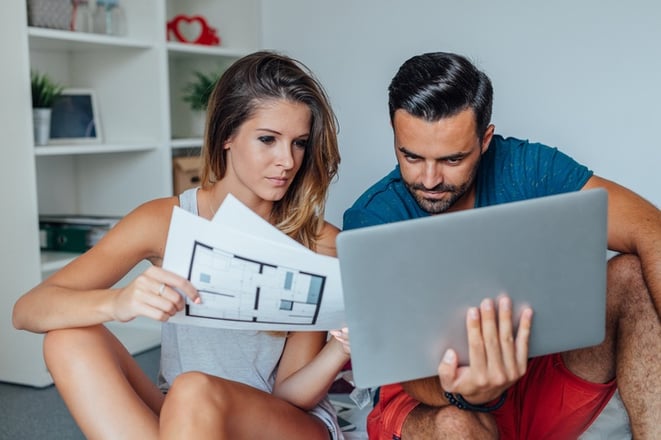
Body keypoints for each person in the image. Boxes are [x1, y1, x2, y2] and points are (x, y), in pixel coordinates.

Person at [13, 51, 351, 439]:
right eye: (267, 139)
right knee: (68, 339)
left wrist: (340, 348)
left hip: (281, 420)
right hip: (183, 416)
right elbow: (27, 311)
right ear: (227, 135)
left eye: (299, 143)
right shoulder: (166, 220)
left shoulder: (317, 240)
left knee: (193, 388)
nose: (287, 161)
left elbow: (293, 394)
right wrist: (119, 302)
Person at [343, 52, 661, 439]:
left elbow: (650, 229)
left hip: (536, 376)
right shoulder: (373, 218)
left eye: (452, 159)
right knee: (456, 426)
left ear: (485, 140)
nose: (428, 179)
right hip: (435, 396)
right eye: (410, 156)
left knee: (630, 274)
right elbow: (409, 376)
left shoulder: (527, 168)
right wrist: (466, 392)